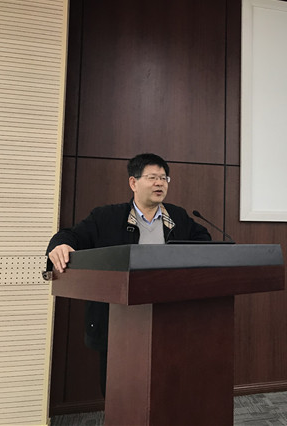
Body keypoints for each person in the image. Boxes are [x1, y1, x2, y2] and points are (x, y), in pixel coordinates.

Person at [46, 153, 211, 396]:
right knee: (120, 391)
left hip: (168, 317)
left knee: (166, 386)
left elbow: (204, 241)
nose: (159, 183)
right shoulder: (106, 217)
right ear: (133, 182)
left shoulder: (177, 217)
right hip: (118, 320)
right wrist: (59, 245)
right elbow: (71, 236)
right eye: (152, 177)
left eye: (164, 178)